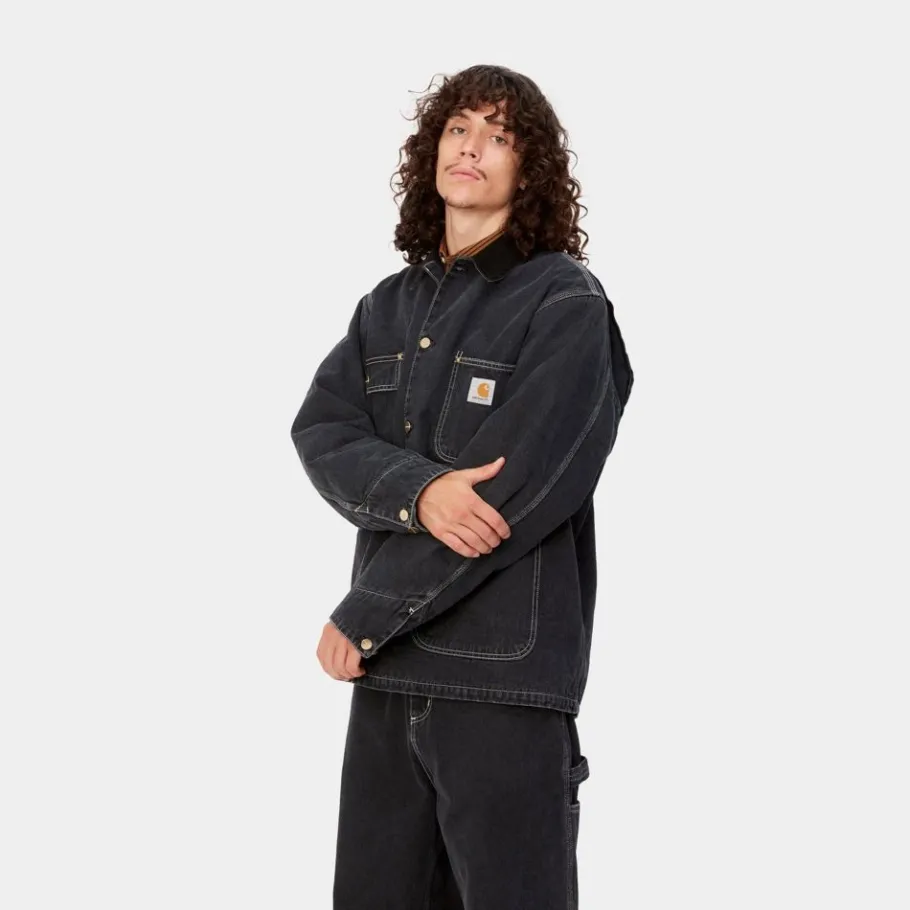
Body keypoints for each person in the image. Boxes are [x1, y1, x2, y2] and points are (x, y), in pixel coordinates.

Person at [290, 64, 633, 910]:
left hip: (500, 686)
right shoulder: (385, 309)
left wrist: (366, 613)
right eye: (457, 128)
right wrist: (419, 492)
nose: (471, 146)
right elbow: (322, 432)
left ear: (530, 168)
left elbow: (512, 491)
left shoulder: (565, 305)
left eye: (499, 135)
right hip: (386, 683)